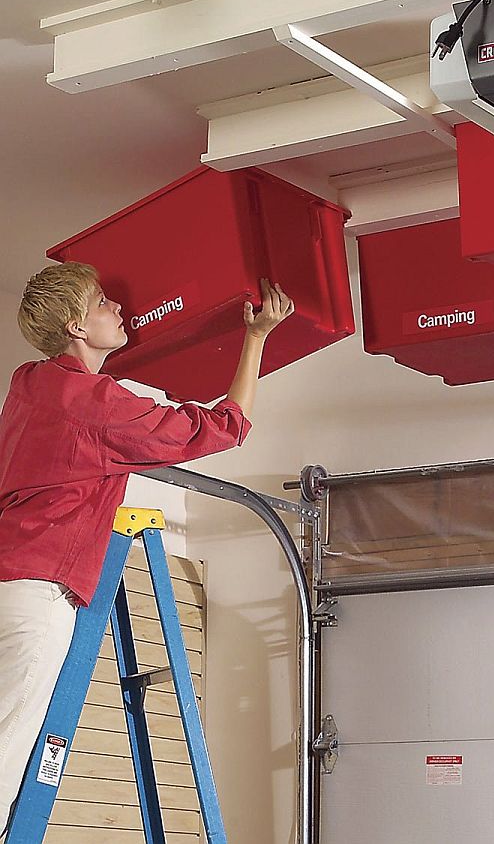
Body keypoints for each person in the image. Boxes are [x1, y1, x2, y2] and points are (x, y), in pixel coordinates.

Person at [0, 262, 294, 837]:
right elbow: (221, 428)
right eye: (106, 302)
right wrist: (255, 337)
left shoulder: (27, 382)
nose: (120, 310)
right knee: (7, 745)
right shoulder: (95, 403)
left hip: (7, 576)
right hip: (39, 592)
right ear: (76, 325)